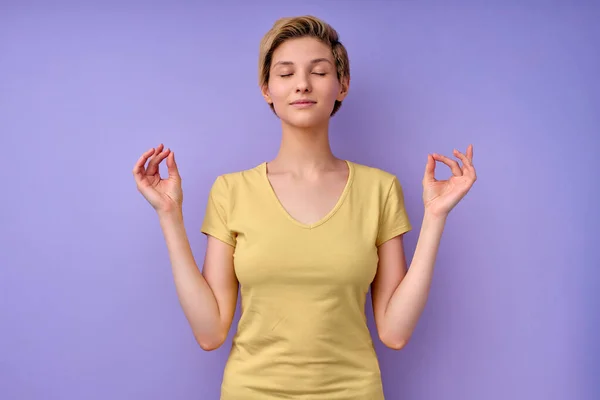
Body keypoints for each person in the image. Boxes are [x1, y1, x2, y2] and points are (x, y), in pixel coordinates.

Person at [132, 15, 476, 400]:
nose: (302, 84)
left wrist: (435, 217)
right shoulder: (231, 191)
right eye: (285, 73)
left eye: (319, 71)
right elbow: (210, 332)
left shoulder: (380, 189)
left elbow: (394, 333)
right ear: (267, 89)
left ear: (342, 85)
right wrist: (168, 215)